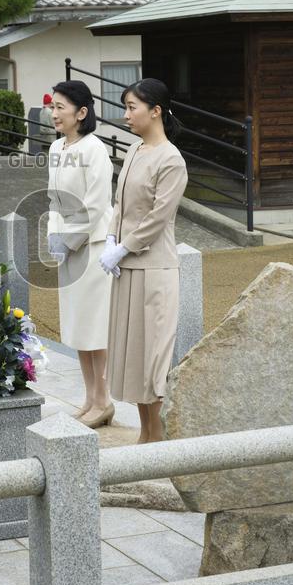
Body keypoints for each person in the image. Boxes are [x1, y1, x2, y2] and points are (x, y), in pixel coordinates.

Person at [99, 78, 188, 443]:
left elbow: (158, 216)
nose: (126, 115)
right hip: (128, 269)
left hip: (154, 269)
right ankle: (145, 433)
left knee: (153, 356)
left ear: (155, 111)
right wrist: (110, 236)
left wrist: (123, 247)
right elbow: (122, 203)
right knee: (132, 354)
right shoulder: (135, 150)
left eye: (132, 107)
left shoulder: (171, 159)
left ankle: (157, 434)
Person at [46, 80, 115, 428]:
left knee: (93, 327)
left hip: (93, 246)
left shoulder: (95, 150)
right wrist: (53, 237)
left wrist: (70, 239)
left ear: (81, 112)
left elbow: (96, 203)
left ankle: (103, 401)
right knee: (77, 326)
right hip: (69, 247)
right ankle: (90, 398)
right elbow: (54, 200)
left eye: (61, 107)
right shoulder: (56, 148)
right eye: (53, 106)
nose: (54, 113)